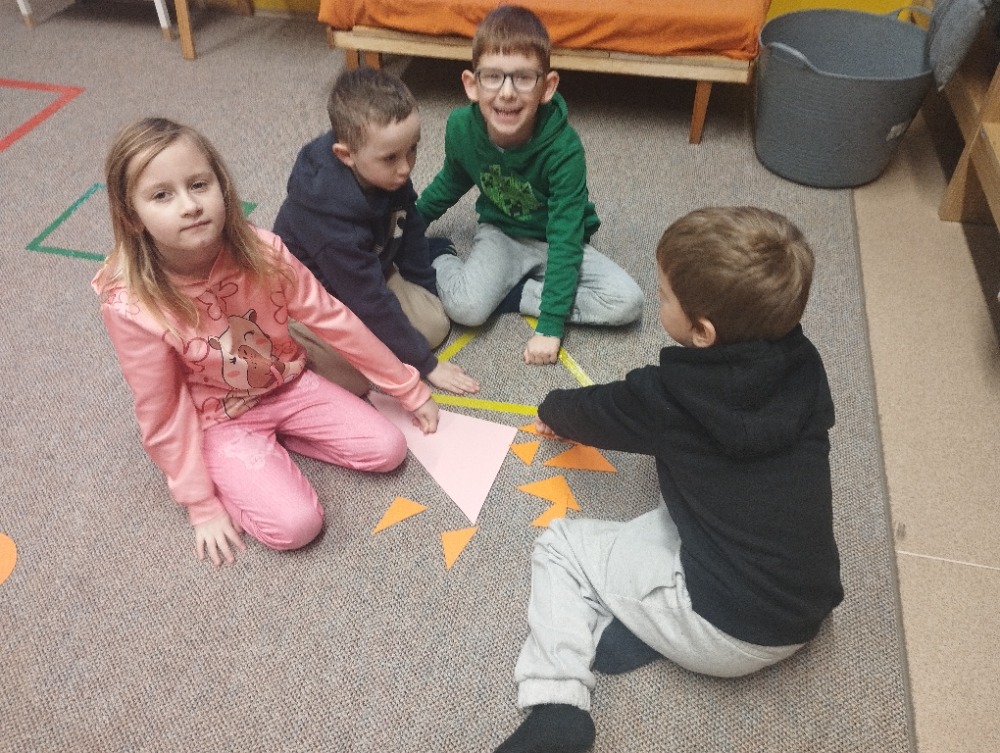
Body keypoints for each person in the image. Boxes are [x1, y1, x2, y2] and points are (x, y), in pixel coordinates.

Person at [494, 207, 844, 753]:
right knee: (686, 507)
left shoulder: (669, 397)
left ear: (702, 332)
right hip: (806, 602)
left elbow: (598, 410)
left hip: (729, 626)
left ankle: (557, 704)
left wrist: (551, 409)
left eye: (662, 296)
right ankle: (647, 625)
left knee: (562, 547)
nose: (658, 303)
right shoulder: (806, 366)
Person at [94, 117, 439, 568]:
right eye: (162, 195)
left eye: (199, 185)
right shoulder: (133, 308)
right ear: (131, 217)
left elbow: (332, 319)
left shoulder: (264, 251)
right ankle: (242, 466)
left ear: (222, 187)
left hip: (287, 382)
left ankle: (277, 442)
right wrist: (200, 503)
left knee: (389, 449)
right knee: (297, 525)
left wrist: (406, 385)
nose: (190, 206)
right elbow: (162, 408)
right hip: (219, 420)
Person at [415, 4, 644, 366]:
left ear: (547, 87)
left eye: (523, 77)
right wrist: (410, 225)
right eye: (493, 77)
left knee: (626, 302)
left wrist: (550, 325)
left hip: (556, 242)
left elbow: (566, 233)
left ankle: (515, 294)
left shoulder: (564, 149)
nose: (507, 92)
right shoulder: (460, 127)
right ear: (472, 85)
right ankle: (440, 253)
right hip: (501, 233)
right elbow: (451, 181)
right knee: (466, 309)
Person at [273, 67, 479, 396]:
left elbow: (409, 226)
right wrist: (428, 366)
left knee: (435, 324)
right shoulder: (326, 216)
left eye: (412, 149)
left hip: (368, 268)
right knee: (353, 381)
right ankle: (282, 338)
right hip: (311, 300)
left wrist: (424, 289)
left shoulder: (388, 171)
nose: (405, 167)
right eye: (391, 158)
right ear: (346, 155)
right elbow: (367, 298)